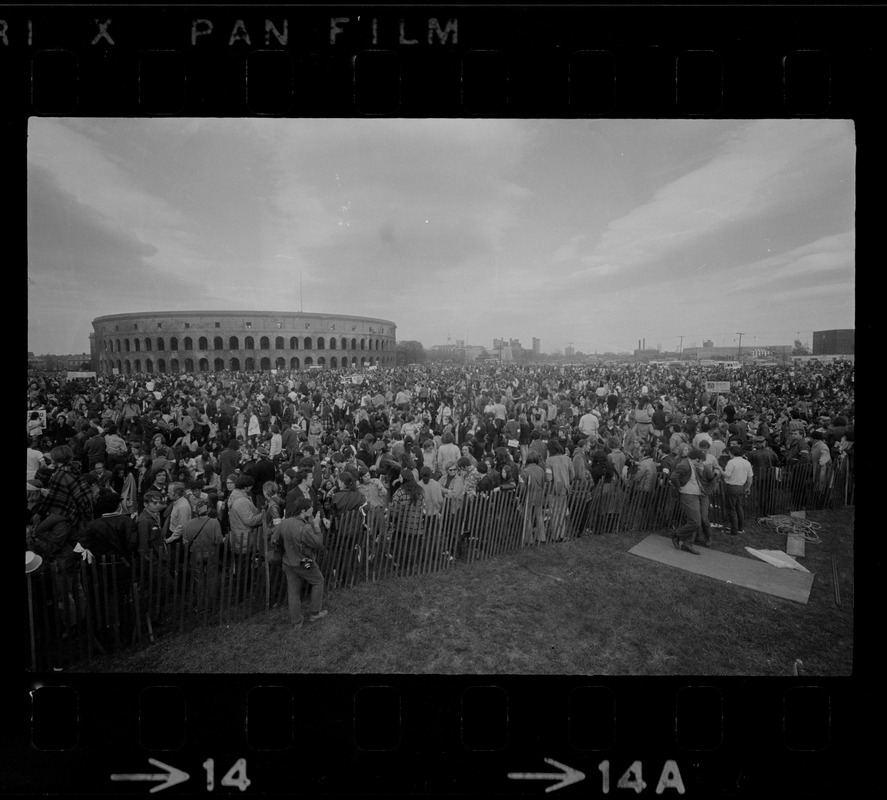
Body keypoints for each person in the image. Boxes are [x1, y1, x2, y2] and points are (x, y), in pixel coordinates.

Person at [274, 496, 328, 629]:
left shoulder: (284, 522)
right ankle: (315, 613)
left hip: (288, 561)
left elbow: (274, 539)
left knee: (293, 591)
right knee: (318, 581)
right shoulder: (305, 528)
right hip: (303, 562)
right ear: (304, 510)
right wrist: (315, 524)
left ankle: (296, 621)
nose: (313, 509)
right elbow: (318, 543)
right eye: (310, 507)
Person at [182, 497, 224, 614]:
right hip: (210, 553)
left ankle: (200, 606)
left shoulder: (189, 523)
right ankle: (211, 605)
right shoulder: (214, 522)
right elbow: (219, 540)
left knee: (198, 580)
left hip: (195, 554)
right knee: (211, 578)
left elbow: (185, 541)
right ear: (209, 509)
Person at [670, 447, 712, 554]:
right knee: (695, 522)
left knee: (694, 521)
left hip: (694, 496)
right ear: (697, 459)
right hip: (688, 496)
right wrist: (679, 487)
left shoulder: (691, 465)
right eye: (701, 461)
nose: (702, 463)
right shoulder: (684, 465)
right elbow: (674, 477)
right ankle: (677, 534)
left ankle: (688, 544)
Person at [723, 446, 753, 536]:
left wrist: (720, 471)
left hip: (731, 487)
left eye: (729, 452)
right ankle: (740, 528)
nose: (729, 454)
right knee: (739, 508)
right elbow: (750, 477)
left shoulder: (731, 462)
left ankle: (734, 530)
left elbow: (727, 475)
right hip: (741, 487)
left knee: (731, 509)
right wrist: (748, 487)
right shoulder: (747, 463)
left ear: (732, 453)